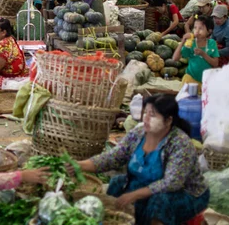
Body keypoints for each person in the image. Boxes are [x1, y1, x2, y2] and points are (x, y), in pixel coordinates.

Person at [69, 94, 209, 225]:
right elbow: (112, 158)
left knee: (159, 201)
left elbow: (172, 183)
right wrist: (78, 165)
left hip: (185, 193)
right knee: (118, 184)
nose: (146, 119)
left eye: (152, 115)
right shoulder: (138, 134)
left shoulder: (179, 143)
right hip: (148, 183)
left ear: (168, 120)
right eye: (145, 113)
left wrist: (134, 195)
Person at [172, 15, 219, 90]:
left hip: (206, 81)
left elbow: (215, 63)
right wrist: (183, 41)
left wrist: (203, 54)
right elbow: (175, 58)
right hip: (190, 80)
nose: (197, 31)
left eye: (201, 28)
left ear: (209, 31)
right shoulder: (191, 43)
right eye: (195, 28)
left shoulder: (212, 43)